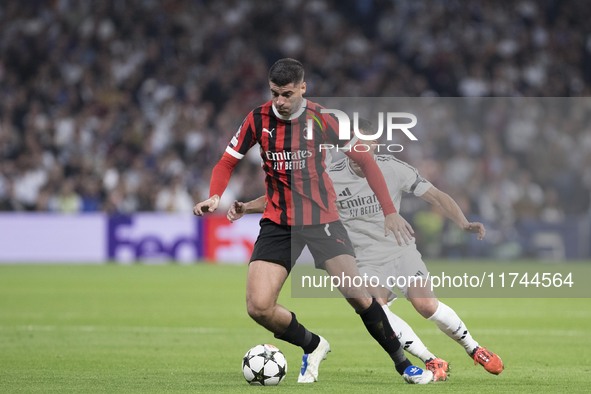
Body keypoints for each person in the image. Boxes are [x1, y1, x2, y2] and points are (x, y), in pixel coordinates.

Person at [193, 59, 433, 384]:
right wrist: (215, 196)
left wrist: (389, 210)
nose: (280, 101)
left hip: (323, 221)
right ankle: (313, 344)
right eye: (275, 93)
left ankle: (404, 365)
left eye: (287, 94)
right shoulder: (257, 119)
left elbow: (367, 162)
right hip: (279, 223)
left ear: (302, 88)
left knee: (362, 299)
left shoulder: (322, 119)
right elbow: (226, 161)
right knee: (258, 306)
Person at [228, 118, 504, 381]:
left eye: (368, 143)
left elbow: (436, 196)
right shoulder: (330, 176)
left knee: (425, 304)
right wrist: (246, 207)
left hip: (400, 250)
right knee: (378, 309)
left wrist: (464, 222)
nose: (361, 149)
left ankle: (474, 348)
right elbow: (287, 197)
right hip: (363, 259)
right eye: (356, 143)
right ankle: (430, 359)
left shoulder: (394, 168)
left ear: (376, 145)